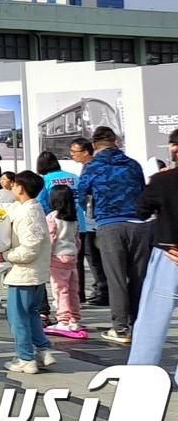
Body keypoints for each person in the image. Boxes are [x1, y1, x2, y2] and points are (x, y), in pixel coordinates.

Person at [75, 125, 151, 345]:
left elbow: (81, 196)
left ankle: (121, 328)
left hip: (110, 224)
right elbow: (142, 191)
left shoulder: (93, 166)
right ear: (115, 141)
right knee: (138, 278)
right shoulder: (133, 165)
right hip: (138, 224)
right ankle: (140, 325)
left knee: (116, 278)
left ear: (95, 145)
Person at [0, 170, 55, 373]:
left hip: (24, 275)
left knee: (18, 317)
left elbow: (30, 249)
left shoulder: (29, 214)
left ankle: (25, 358)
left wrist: (5, 256)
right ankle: (43, 350)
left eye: (14, 184)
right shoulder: (25, 207)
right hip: (33, 274)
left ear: (21, 188)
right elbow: (0, 208)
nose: (11, 186)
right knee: (31, 315)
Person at [129, 129, 178, 384]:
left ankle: (141, 372)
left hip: (168, 254)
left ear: (174, 149)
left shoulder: (162, 181)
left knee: (153, 316)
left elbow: (140, 210)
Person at [69, 138, 109, 305]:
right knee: (92, 255)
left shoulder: (92, 168)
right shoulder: (89, 167)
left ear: (86, 152)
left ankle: (103, 291)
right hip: (91, 217)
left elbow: (87, 193)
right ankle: (100, 288)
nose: (72, 156)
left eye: (74, 152)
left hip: (93, 219)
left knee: (93, 256)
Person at [44, 183, 86, 339]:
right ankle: (75, 319)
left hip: (57, 257)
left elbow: (51, 238)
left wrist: (45, 256)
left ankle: (62, 320)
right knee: (72, 289)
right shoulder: (73, 218)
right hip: (72, 256)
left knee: (60, 290)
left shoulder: (52, 217)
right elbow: (77, 239)